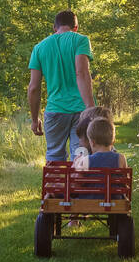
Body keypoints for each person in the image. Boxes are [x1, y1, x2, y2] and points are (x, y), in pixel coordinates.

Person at [28, 9, 95, 163]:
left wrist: (34, 118)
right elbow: (82, 73)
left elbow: (33, 87)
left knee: (54, 157)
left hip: (55, 110)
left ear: (54, 27)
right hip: (81, 110)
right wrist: (91, 108)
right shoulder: (80, 40)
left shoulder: (39, 48)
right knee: (81, 156)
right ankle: (79, 186)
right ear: (76, 27)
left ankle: (54, 187)